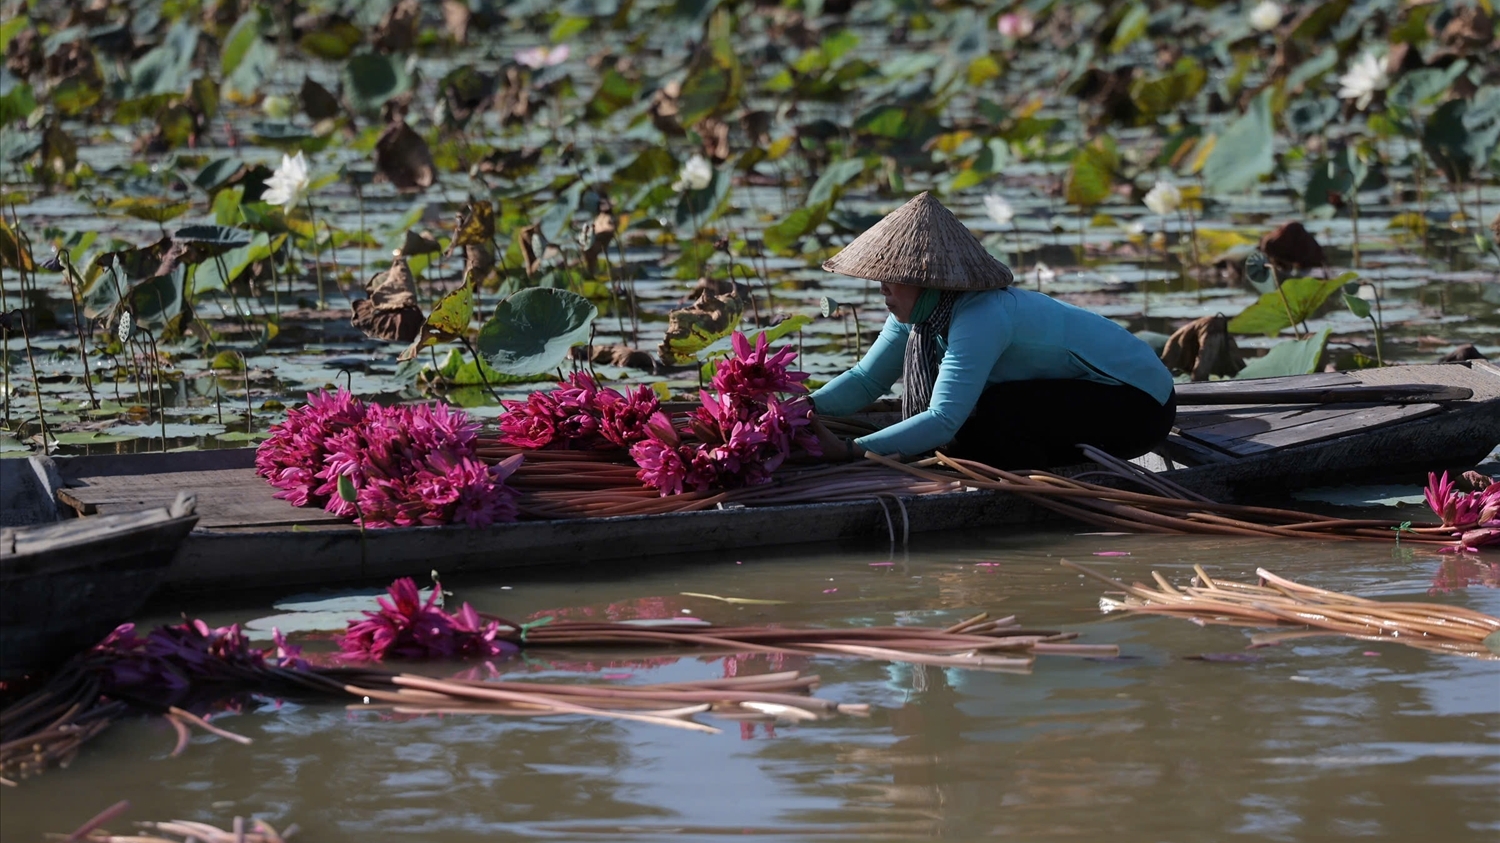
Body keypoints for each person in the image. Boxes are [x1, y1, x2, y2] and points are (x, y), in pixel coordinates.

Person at [809, 191, 1176, 469]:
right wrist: (801, 409)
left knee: (983, 425)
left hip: (1141, 403)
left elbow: (942, 420)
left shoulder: (981, 315)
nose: (882, 288)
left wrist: (849, 450)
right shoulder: (915, 313)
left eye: (892, 279)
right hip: (1080, 395)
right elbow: (866, 380)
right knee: (974, 426)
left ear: (927, 280)